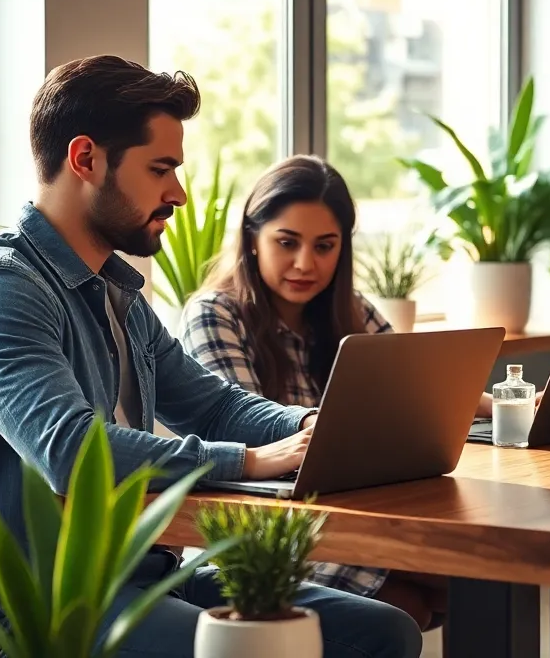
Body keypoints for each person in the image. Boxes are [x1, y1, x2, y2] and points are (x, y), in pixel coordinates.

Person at [0, 55, 423, 658]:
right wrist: (248, 461)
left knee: (384, 632)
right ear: (85, 159)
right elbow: (73, 452)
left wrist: (319, 427)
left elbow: (215, 407)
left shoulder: (117, 293)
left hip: (143, 579)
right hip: (31, 619)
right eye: (161, 169)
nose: (177, 194)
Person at [179, 154, 473, 631]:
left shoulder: (349, 310)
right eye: (287, 242)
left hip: (351, 514)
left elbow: (416, 388)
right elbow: (242, 428)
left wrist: (504, 399)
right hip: (264, 529)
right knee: (442, 588)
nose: (305, 264)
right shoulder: (214, 313)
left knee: (460, 579)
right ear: (252, 239)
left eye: (325, 246)